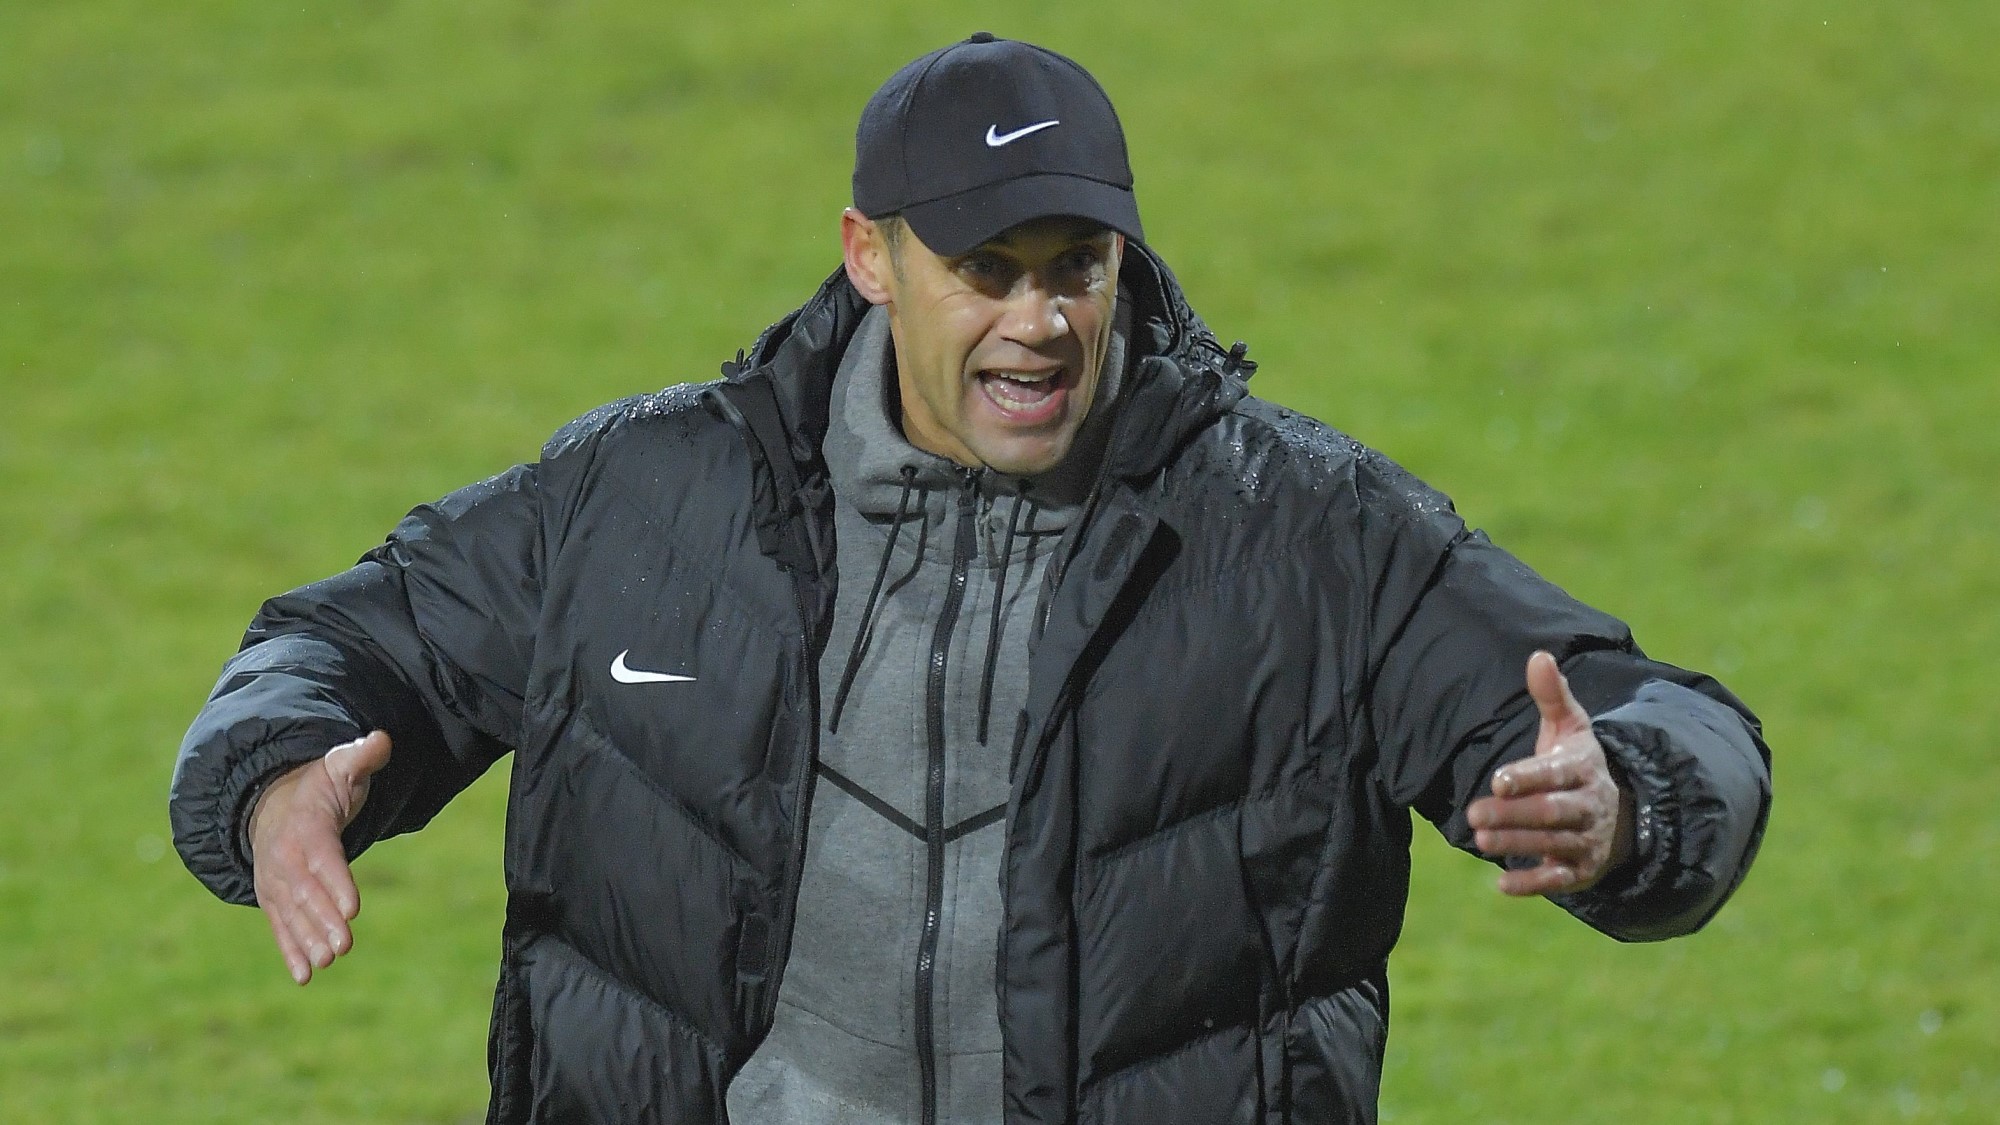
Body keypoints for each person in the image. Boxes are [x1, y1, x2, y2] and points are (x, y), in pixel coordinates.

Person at [170, 33, 1771, 1125]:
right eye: (986, 272)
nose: (1041, 322)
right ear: (870, 257)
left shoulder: (1307, 534)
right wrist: (277, 780)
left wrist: (1630, 802)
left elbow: (1657, 717)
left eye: (1077, 269)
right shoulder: (642, 502)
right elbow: (345, 642)